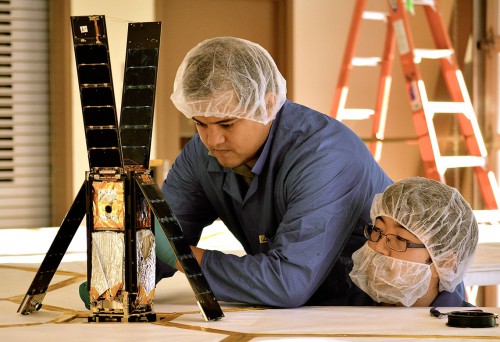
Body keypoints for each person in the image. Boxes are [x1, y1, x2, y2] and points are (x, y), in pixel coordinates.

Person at [152, 36, 393, 308]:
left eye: (227, 124)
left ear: (267, 105)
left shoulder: (326, 154)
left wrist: (180, 255)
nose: (212, 140)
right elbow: (159, 236)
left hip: (373, 310)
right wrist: (118, 280)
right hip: (294, 315)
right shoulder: (202, 152)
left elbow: (287, 282)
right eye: (200, 123)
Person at [349, 177, 479, 307]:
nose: (378, 246)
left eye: (400, 239)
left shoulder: (473, 327)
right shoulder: (340, 314)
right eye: (377, 230)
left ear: (445, 263)